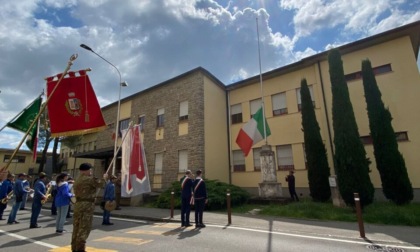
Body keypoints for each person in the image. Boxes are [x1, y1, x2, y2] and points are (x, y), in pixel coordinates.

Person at [71, 163, 107, 252]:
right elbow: (101, 184)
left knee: (77, 227)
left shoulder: (78, 179)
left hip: (78, 204)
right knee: (84, 227)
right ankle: (80, 249)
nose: (91, 172)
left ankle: (74, 247)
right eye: (90, 170)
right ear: (85, 170)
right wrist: (104, 178)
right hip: (86, 205)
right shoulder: (88, 179)